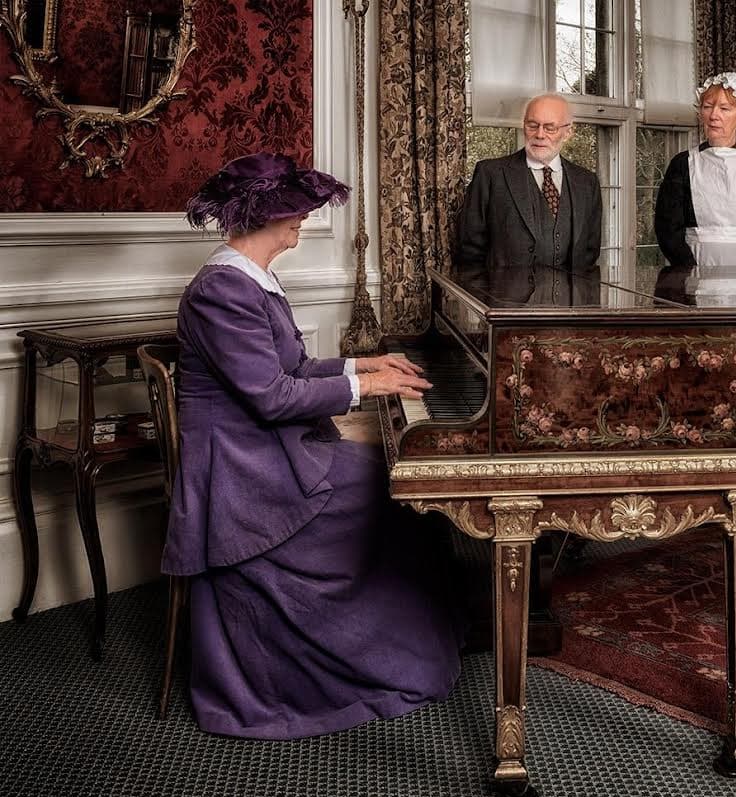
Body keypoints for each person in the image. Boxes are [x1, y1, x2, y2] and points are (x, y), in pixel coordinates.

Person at [169, 152, 462, 739]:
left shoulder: (249, 280)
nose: (303, 221)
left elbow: (295, 366)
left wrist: (365, 361)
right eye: (295, 213)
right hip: (240, 470)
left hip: (264, 450)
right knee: (395, 490)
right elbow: (273, 397)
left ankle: (428, 625)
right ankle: (381, 651)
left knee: (399, 481)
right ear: (262, 217)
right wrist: (367, 386)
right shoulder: (221, 291)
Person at [654, 71, 736, 267]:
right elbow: (668, 230)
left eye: (725, 108)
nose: (714, 115)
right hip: (692, 277)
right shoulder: (682, 164)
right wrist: (690, 273)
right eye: (707, 107)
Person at [457, 93, 602, 272]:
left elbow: (590, 254)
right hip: (504, 298)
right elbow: (469, 251)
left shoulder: (587, 182)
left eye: (550, 128)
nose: (539, 134)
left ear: (568, 132)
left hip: (570, 299)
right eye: (532, 125)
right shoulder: (490, 175)